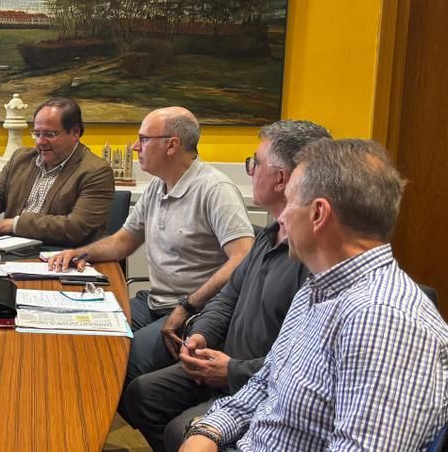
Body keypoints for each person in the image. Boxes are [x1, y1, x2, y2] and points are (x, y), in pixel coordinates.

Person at [181, 138, 448, 452]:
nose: (281, 217)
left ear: (318, 214)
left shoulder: (382, 319)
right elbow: (264, 385)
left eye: (288, 204)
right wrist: (207, 432)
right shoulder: (317, 290)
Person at [123, 120, 330, 451]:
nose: (249, 170)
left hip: (253, 381)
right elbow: (228, 296)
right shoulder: (268, 235)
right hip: (221, 363)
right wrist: (199, 335)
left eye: (255, 162)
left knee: (180, 427)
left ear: (282, 179)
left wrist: (231, 371)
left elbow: (299, 362)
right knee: (142, 394)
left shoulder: (314, 259)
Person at [49, 106, 253, 389]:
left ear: (172, 145)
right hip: (155, 302)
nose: (135, 146)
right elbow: (124, 240)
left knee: (120, 364)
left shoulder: (215, 189)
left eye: (144, 139)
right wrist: (82, 252)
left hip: (195, 312)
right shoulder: (158, 186)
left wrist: (187, 305)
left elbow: (242, 258)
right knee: (85, 337)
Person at [0, 97, 115, 246]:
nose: (40, 141)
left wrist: (17, 224)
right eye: (37, 133)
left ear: (75, 133)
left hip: (62, 256)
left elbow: (76, 227)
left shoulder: (96, 171)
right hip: (12, 252)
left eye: (49, 134)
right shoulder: (21, 159)